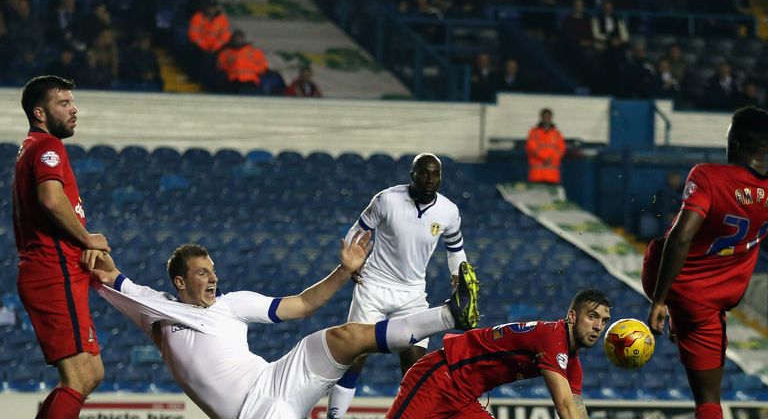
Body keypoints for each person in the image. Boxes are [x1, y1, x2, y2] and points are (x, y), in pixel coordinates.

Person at [87, 231, 480, 419]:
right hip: (252, 412)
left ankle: (451, 314)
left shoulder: (232, 304)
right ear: (179, 281)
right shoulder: (156, 310)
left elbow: (304, 304)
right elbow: (109, 275)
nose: (212, 278)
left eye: (213, 271)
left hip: (276, 377)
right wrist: (86, 245)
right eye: (203, 273)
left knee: (343, 337)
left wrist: (344, 271)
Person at [644, 106, 768, 419]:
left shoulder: (709, 176)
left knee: (662, 244)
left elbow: (682, 238)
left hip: (680, 286)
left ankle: (674, 306)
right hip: (718, 300)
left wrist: (661, 301)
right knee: (710, 402)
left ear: (736, 143)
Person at [327, 153, 468, 418]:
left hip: (413, 295)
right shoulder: (387, 199)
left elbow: (455, 248)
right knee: (353, 359)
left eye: (435, 174)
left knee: (416, 370)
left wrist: (458, 274)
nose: (430, 179)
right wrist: (352, 263)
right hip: (374, 287)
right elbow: (358, 230)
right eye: (424, 173)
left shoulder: (448, 211)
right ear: (412, 175)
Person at [13, 75, 111, 419]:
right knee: (79, 376)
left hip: (57, 269)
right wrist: (87, 238)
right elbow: (51, 199)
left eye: (73, 102)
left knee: (92, 374)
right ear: (40, 113)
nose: (74, 110)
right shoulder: (47, 146)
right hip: (52, 272)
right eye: (64, 103)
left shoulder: (32, 146)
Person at [386, 289, 611, 419]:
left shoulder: (573, 365)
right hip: (440, 378)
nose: (598, 326)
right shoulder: (553, 339)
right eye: (592, 316)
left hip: (465, 398)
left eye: (604, 321)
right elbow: (565, 406)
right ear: (572, 316)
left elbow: (577, 410)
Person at [216, 29, 269, 93]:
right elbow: (220, 67)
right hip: (232, 81)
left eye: (240, 39)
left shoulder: (254, 52)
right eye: (236, 39)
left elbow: (263, 68)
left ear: (244, 40)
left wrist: (251, 68)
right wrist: (228, 63)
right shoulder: (225, 53)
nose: (238, 41)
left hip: (250, 81)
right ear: (232, 40)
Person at [525, 108, 566, 185]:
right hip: (537, 175)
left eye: (548, 116)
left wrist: (552, 158)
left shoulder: (557, 134)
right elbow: (531, 147)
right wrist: (545, 157)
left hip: (552, 176)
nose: (547, 118)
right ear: (541, 117)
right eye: (545, 116)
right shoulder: (534, 132)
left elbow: (561, 149)